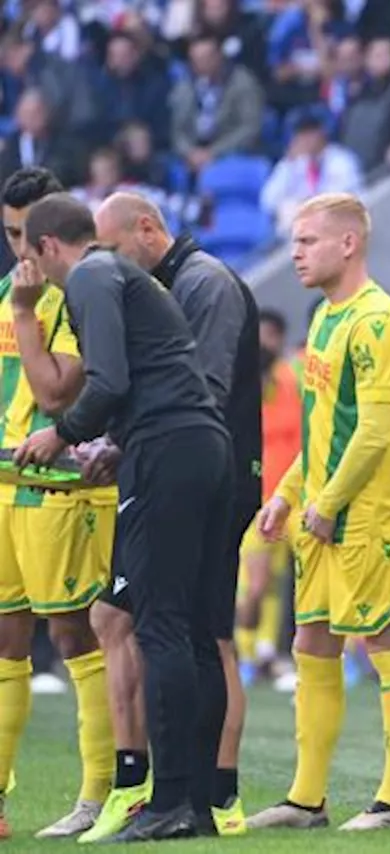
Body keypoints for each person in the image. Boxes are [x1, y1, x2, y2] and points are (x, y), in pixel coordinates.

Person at [14, 192, 234, 842]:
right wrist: (109, 442)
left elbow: (105, 382)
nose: (35, 272)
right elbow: (135, 379)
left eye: (31, 254)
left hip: (168, 450)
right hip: (200, 445)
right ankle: (194, 801)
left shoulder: (90, 275)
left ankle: (167, 802)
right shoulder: (121, 276)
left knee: (158, 627)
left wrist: (61, 434)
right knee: (189, 631)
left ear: (49, 245)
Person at [80, 191, 262, 839]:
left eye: (109, 248)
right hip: (199, 468)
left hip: (204, 475)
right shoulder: (165, 287)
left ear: (148, 230)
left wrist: (109, 438)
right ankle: (186, 797)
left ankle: (190, 795)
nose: (105, 263)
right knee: (160, 626)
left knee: (190, 633)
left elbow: (198, 392)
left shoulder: (203, 283)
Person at [246, 192, 390, 832]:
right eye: (294, 242)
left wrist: (324, 503)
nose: (295, 253)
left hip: (371, 517)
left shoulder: (379, 321)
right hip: (322, 515)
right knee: (311, 642)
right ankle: (306, 799)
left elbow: (374, 434)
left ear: (348, 244)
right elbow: (322, 430)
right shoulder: (323, 318)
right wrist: (288, 495)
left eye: (307, 241)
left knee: (386, 642)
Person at [0, 168, 116, 841]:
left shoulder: (79, 296)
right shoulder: (8, 294)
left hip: (65, 488)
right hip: (7, 488)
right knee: (7, 640)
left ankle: (99, 792)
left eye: (27, 235)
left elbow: (59, 397)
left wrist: (24, 311)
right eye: (9, 232)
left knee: (75, 634)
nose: (20, 250)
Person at [236, 310, 302, 687]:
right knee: (257, 586)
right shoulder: (235, 387)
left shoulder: (292, 380)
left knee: (284, 581)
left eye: (273, 336)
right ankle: (244, 652)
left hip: (291, 497)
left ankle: (264, 653)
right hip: (253, 498)